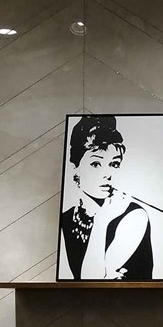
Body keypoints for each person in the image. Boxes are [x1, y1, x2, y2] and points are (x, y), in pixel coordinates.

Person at [60, 115, 153, 280]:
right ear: (75, 168)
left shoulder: (135, 215)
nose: (107, 174)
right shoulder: (66, 219)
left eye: (114, 164)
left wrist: (102, 221)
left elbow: (90, 279)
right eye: (96, 164)